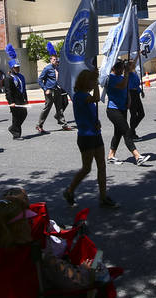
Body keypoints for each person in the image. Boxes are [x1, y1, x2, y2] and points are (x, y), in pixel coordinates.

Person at [63, 69, 118, 209]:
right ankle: (69, 191)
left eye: (94, 80)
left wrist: (96, 121)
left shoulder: (85, 95)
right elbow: (96, 99)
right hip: (85, 137)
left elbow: (89, 113)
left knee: (102, 166)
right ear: (84, 81)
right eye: (91, 80)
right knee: (86, 168)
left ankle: (103, 197)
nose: (94, 83)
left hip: (95, 134)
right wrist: (97, 85)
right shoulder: (79, 96)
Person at [106, 60, 149, 166]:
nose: (122, 70)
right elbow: (121, 86)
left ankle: (111, 155)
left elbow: (126, 89)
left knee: (118, 133)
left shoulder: (121, 77)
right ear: (113, 68)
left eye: (122, 68)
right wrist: (126, 74)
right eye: (120, 68)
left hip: (123, 108)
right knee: (126, 132)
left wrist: (129, 100)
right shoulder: (110, 78)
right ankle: (137, 156)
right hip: (113, 110)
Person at [36, 49, 72, 133]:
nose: (56, 61)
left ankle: (64, 124)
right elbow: (40, 79)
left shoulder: (58, 68)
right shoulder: (47, 68)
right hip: (50, 91)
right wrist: (45, 89)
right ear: (51, 60)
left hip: (57, 90)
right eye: (54, 59)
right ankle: (39, 125)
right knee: (47, 108)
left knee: (59, 108)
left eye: (56, 59)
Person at [4, 45, 28, 140]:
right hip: (14, 100)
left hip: (21, 99)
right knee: (16, 116)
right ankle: (16, 134)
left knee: (24, 114)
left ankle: (13, 128)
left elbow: (24, 89)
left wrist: (26, 99)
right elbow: (8, 91)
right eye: (16, 67)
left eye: (18, 67)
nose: (18, 69)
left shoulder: (21, 76)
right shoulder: (9, 78)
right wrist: (10, 102)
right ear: (12, 68)